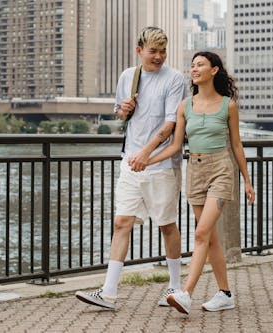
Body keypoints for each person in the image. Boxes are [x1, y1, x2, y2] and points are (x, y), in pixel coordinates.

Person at [130, 51, 255, 314]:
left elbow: (236, 144)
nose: (194, 69)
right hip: (195, 172)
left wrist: (247, 180)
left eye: (200, 65)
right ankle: (225, 294)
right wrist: (147, 160)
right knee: (210, 239)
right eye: (192, 65)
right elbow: (175, 145)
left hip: (221, 170)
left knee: (200, 233)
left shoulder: (227, 106)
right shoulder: (185, 105)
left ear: (214, 71)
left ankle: (185, 292)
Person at [75, 26, 185, 310]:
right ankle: (109, 293)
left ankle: (175, 289)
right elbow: (121, 113)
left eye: (163, 51)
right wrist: (123, 110)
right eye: (153, 51)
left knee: (167, 225)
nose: (159, 56)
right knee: (121, 222)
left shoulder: (174, 79)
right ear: (139, 51)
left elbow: (171, 124)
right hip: (131, 163)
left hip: (160, 164)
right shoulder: (128, 76)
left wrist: (146, 154)